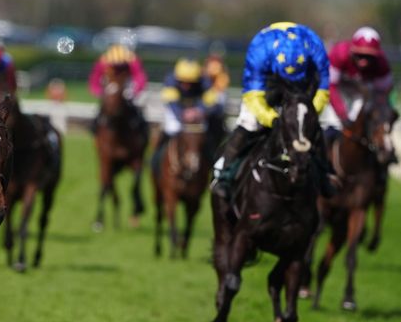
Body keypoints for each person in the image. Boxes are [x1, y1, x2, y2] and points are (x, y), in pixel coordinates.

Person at [211, 22, 331, 200]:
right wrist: (274, 119)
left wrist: (310, 117)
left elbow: (323, 90)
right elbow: (253, 97)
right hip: (269, 82)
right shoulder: (259, 50)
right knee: (249, 123)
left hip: (303, 86)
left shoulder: (315, 47)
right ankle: (223, 175)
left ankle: (325, 176)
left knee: (308, 127)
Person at [319, 26, 395, 144]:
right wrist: (342, 115)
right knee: (331, 125)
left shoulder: (382, 64)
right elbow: (331, 86)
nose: (363, 61)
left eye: (369, 57)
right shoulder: (339, 53)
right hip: (337, 92)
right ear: (352, 51)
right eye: (359, 55)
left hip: (362, 93)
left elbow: (383, 92)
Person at [153, 58, 221, 169]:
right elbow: (172, 104)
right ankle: (156, 160)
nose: (187, 86)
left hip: (197, 113)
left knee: (206, 135)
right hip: (177, 112)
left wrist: (200, 111)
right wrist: (182, 114)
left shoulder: (204, 81)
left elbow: (213, 103)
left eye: (190, 83)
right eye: (183, 82)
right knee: (171, 129)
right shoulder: (170, 80)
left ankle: (212, 165)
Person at [87, 43, 148, 133]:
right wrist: (100, 92)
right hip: (109, 85)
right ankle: (95, 126)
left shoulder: (132, 60)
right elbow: (95, 79)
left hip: (128, 85)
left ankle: (140, 126)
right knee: (103, 108)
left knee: (134, 108)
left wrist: (134, 91)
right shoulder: (103, 61)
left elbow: (140, 77)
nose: (118, 68)